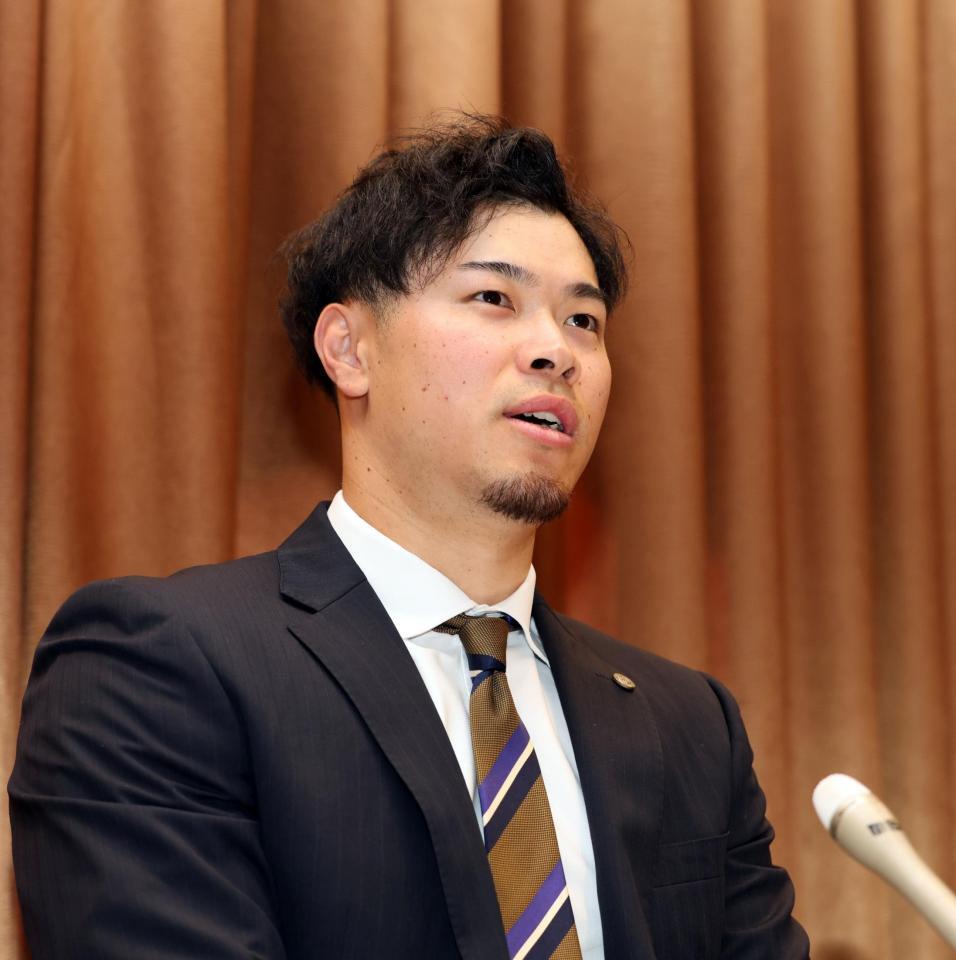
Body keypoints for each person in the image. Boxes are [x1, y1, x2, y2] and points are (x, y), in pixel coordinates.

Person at [10, 115, 809, 959]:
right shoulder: (159, 666)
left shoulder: (689, 724)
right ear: (349, 349)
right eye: (494, 299)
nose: (557, 351)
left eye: (585, 321)